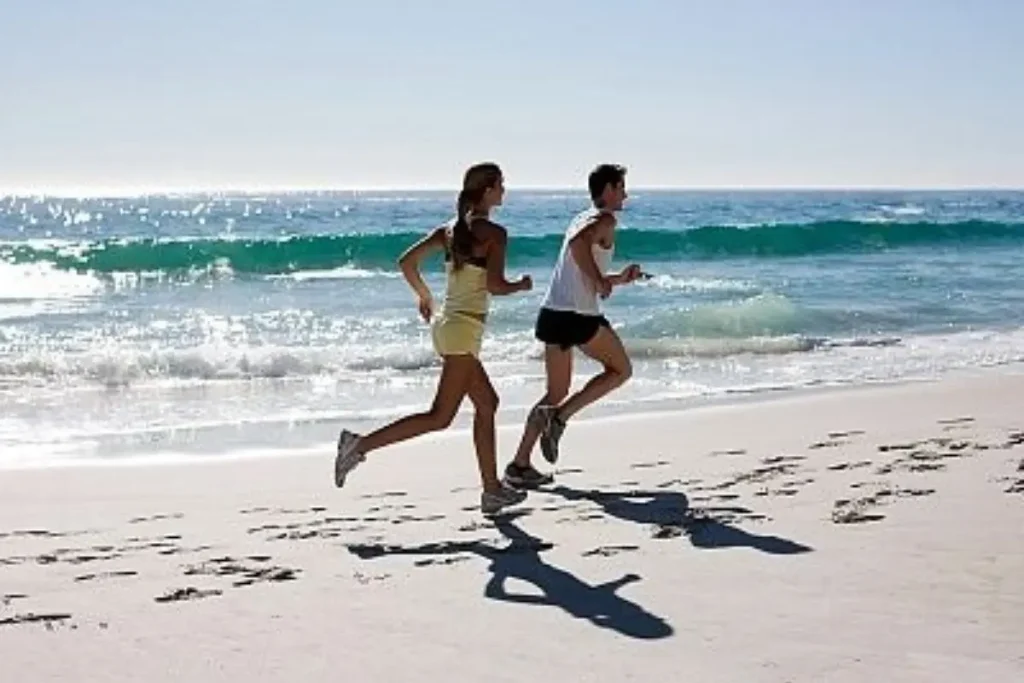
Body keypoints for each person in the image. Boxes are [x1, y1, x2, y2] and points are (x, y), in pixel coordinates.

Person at [334, 162, 533, 515]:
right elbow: (494, 286)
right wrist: (521, 285)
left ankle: (492, 491)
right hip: (462, 332)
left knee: (487, 403)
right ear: (487, 190)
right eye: (501, 184)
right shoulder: (494, 233)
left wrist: (424, 296)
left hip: (449, 327)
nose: (505, 189)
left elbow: (406, 263)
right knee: (440, 416)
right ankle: (358, 445)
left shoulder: (449, 230)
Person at [503, 163, 644, 489]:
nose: (625, 193)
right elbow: (579, 248)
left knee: (555, 392)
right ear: (608, 189)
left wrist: (617, 279)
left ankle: (519, 465)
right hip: (578, 316)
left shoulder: (580, 218)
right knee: (621, 370)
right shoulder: (603, 219)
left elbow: (580, 267)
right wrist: (599, 279)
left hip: (554, 312)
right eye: (621, 187)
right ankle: (561, 418)